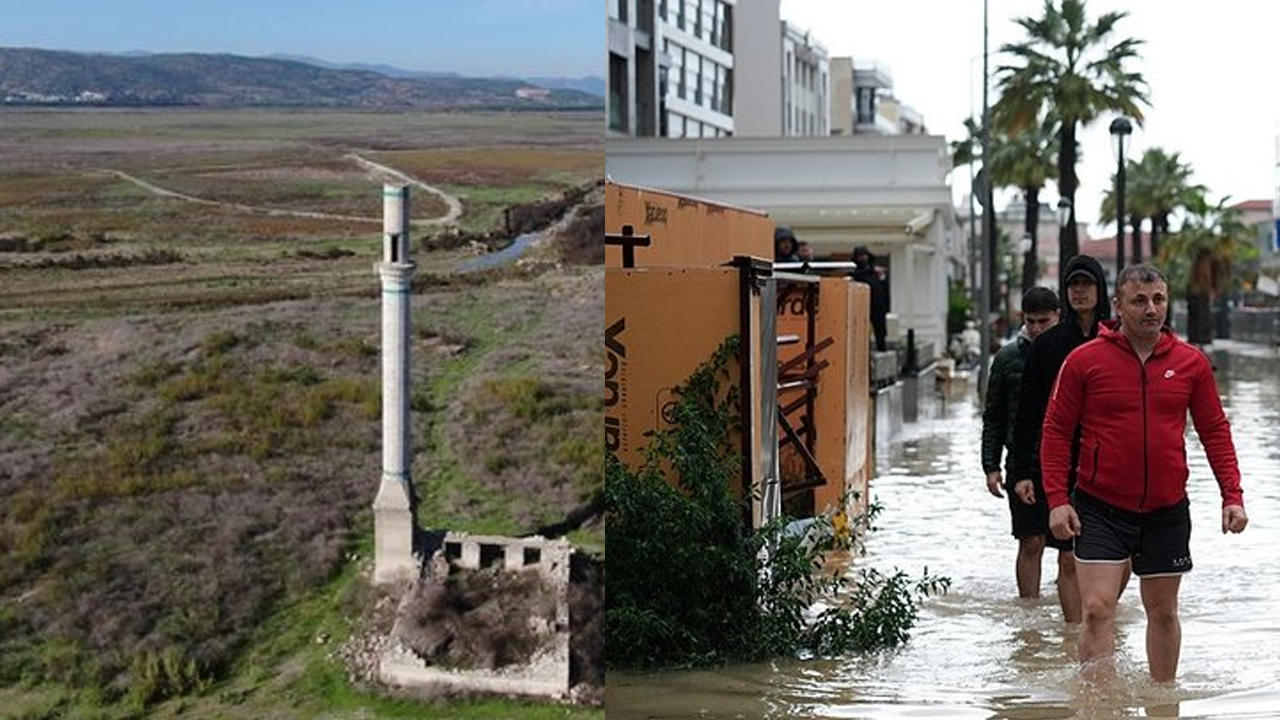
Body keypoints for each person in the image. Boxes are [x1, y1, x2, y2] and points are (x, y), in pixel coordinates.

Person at [1042, 264, 1247, 682]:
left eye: (1158, 300)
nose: (1151, 309)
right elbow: (1056, 430)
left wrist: (1232, 495)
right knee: (1097, 609)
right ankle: (1100, 707)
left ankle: (1162, 702)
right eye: (1139, 300)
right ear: (1117, 305)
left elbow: (1214, 431)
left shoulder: (1191, 363)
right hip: (1099, 507)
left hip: (1166, 509)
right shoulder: (1084, 361)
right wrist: (1058, 500)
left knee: (1164, 612)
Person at [1007, 254, 1113, 624]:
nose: (1080, 291)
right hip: (1056, 462)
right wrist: (1021, 470)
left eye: (1087, 284)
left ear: (1101, 289)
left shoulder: (1117, 338)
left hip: (1106, 463)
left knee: (1105, 555)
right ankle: (1074, 636)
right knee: (1065, 552)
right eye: (1073, 284)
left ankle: (1098, 623)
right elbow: (1028, 414)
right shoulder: (1047, 345)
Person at [981, 287, 1060, 602]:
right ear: (1022, 319)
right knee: (1030, 541)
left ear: (1058, 316)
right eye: (1032, 321)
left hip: (1066, 461)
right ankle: (1028, 615)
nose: (1038, 328)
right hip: (1022, 462)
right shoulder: (1007, 358)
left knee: (1071, 547)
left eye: (1045, 321)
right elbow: (994, 415)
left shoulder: (1074, 353)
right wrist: (990, 466)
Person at [851, 245, 888, 352]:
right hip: (862, 306)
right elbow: (857, 275)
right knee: (862, 332)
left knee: (880, 332)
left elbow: (884, 290)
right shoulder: (857, 271)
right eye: (860, 256)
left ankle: (881, 349)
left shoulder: (874, 271)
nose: (863, 259)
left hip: (878, 306)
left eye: (864, 256)